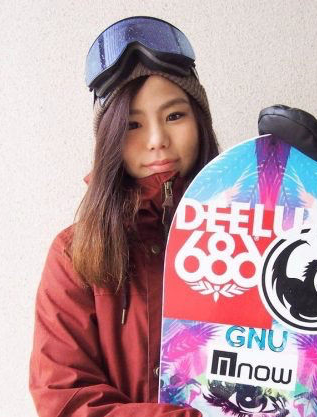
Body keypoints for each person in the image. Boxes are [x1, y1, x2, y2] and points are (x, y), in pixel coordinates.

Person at [29, 16, 219, 416]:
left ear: (199, 121)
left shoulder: (249, 230)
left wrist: (306, 216)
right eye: (132, 124)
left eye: (174, 116)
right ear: (110, 137)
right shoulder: (76, 254)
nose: (157, 140)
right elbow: (64, 399)